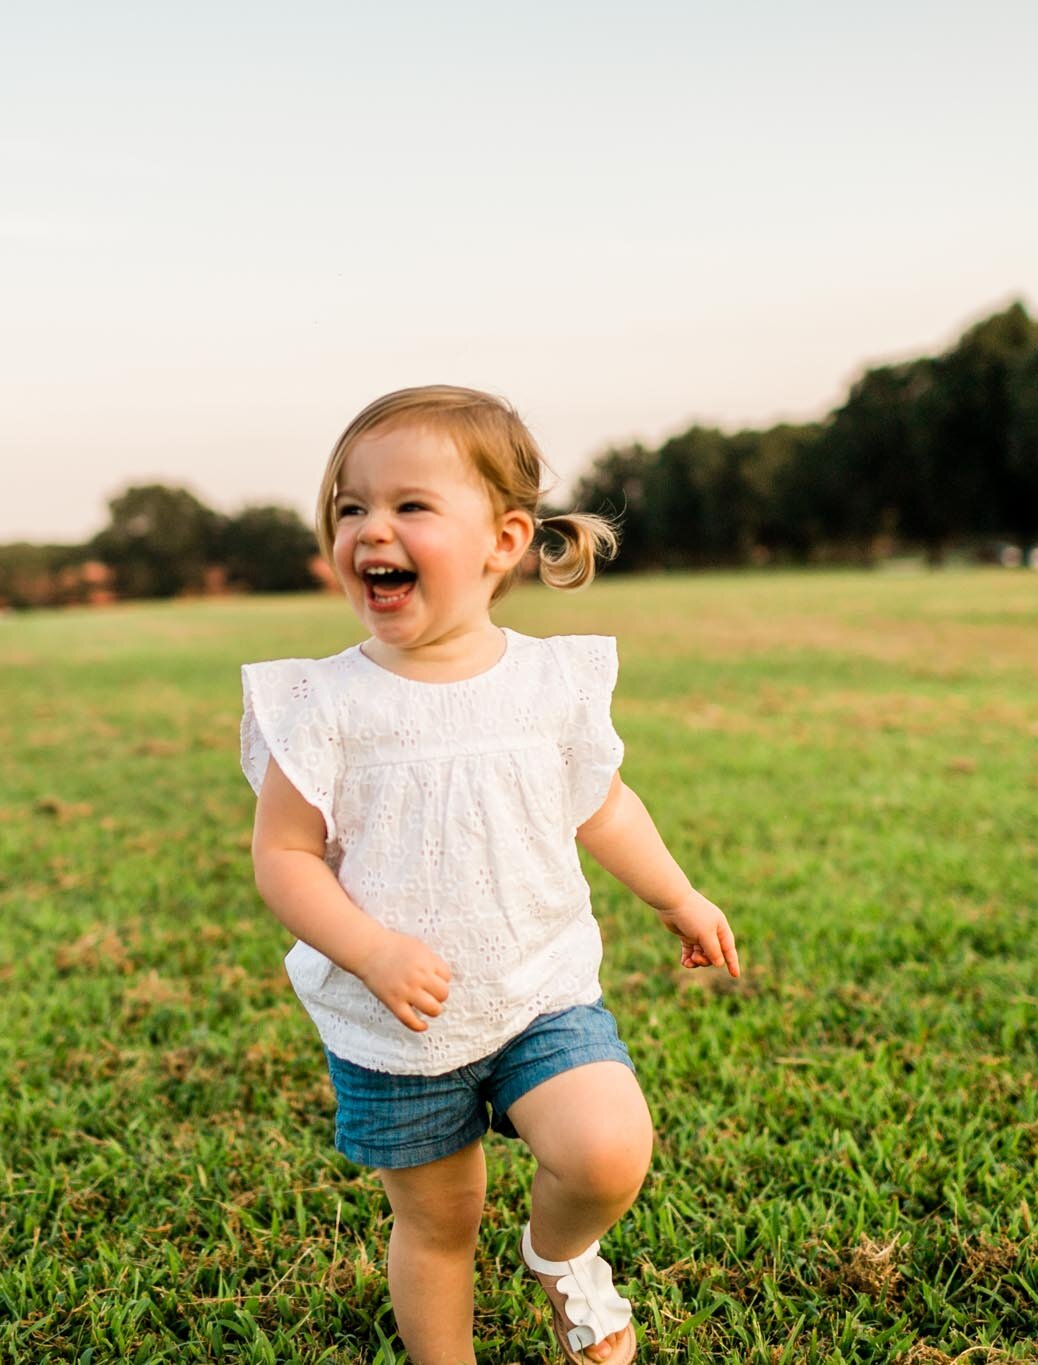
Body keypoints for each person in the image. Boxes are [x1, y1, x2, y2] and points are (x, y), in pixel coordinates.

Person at [240, 385, 741, 1365]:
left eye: (408, 506)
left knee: (604, 1151)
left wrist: (677, 896)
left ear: (503, 539)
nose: (369, 529)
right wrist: (371, 949)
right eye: (350, 508)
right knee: (438, 1225)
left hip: (536, 989)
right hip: (394, 1021)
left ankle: (561, 1258)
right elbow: (283, 857)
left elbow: (601, 803)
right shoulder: (324, 701)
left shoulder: (547, 683)